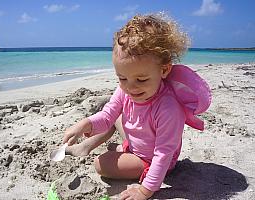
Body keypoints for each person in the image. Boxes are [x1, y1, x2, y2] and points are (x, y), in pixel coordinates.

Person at [62, 12, 211, 200]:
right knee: (115, 116)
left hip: (150, 159)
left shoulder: (168, 109)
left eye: (141, 79)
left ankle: (128, 155)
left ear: (164, 70)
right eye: (122, 78)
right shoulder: (125, 90)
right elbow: (107, 115)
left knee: (101, 164)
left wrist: (144, 191)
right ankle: (87, 146)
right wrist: (85, 123)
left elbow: (163, 154)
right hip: (137, 141)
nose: (130, 87)